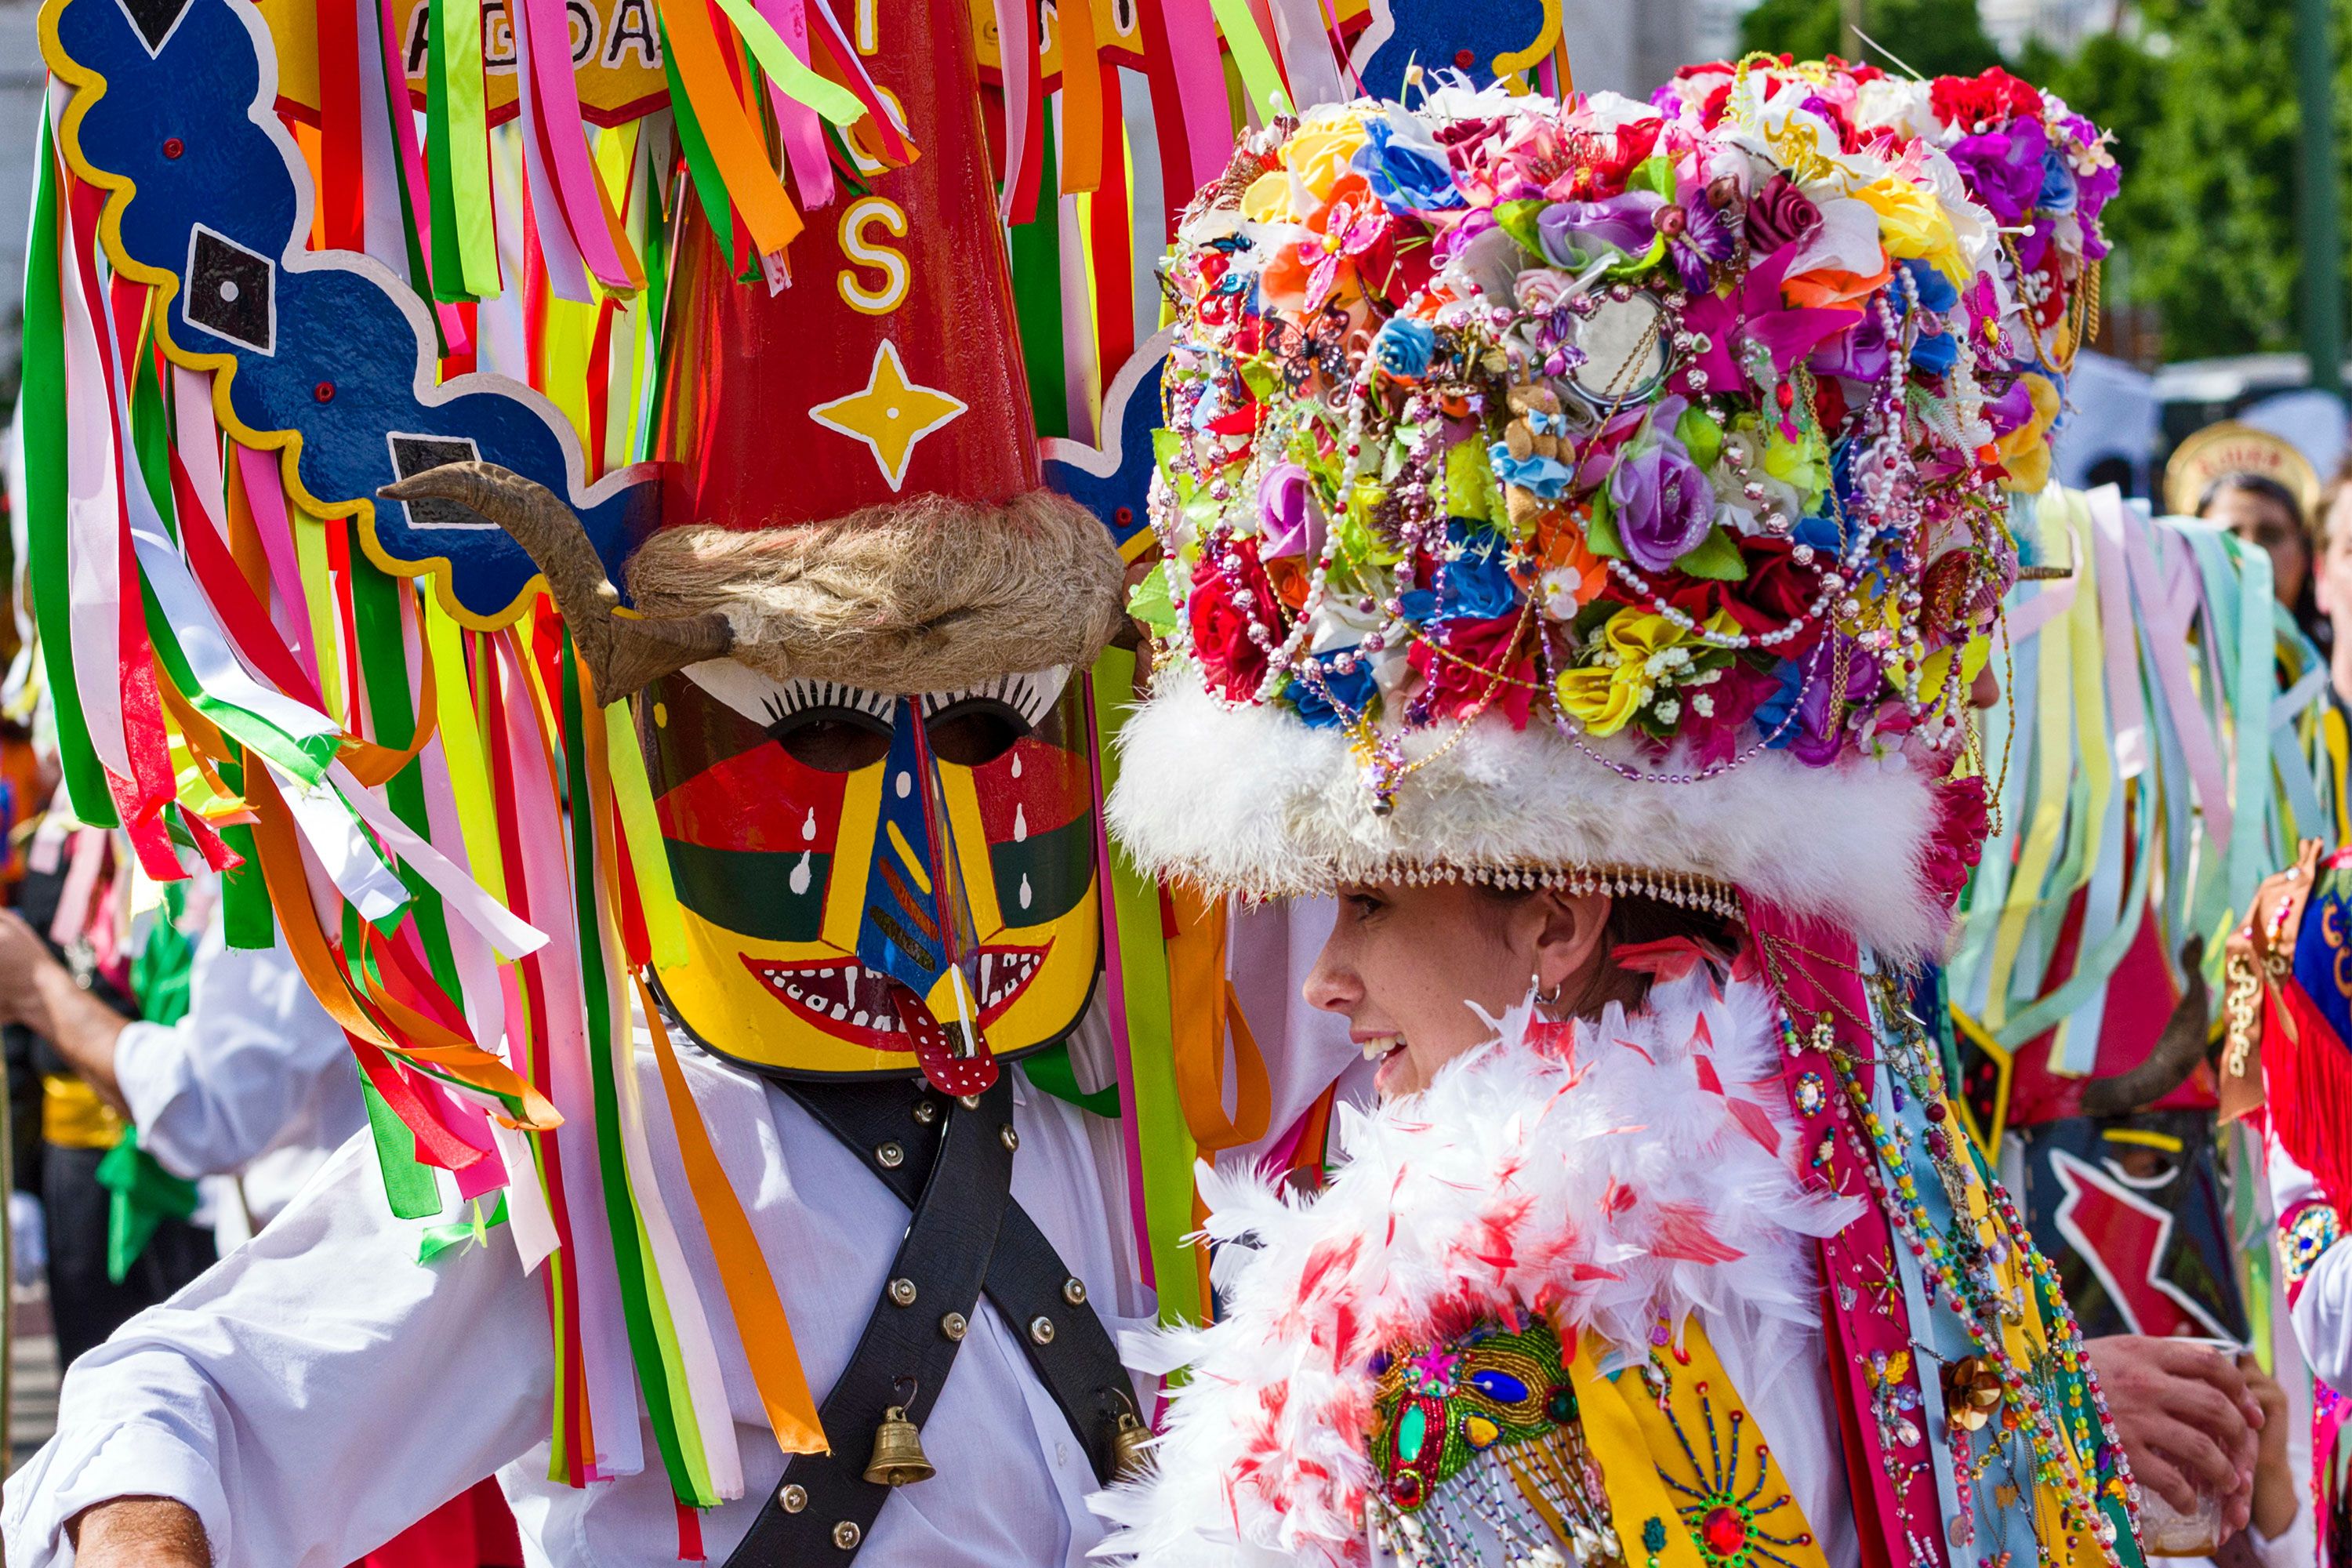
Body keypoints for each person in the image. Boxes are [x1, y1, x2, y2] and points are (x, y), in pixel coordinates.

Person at [1093, 59, 2151, 1568]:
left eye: (1373, 902)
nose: (1325, 979)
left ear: (1559, 916)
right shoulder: (1854, 1142)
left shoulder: (1468, 1302)